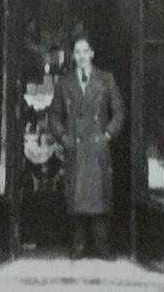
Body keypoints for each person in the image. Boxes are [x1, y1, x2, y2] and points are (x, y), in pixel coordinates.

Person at [48, 35, 125, 260]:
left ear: (92, 54)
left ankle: (102, 245)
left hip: (97, 147)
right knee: (76, 197)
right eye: (77, 52)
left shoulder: (106, 79)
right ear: (73, 56)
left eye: (85, 51)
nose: (81, 56)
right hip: (76, 148)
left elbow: (119, 111)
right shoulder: (65, 82)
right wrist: (65, 138)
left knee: (99, 197)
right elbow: (54, 116)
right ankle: (78, 245)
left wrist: (108, 134)